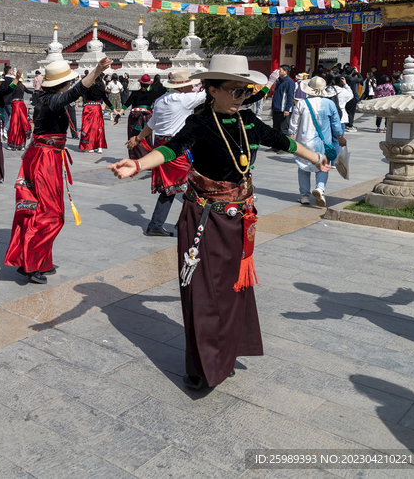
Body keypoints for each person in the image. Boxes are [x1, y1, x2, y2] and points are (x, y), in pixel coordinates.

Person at [109, 55, 332, 391]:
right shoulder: (199, 124)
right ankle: (202, 365)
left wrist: (316, 158)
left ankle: (225, 355)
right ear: (212, 90)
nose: (241, 97)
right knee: (202, 293)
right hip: (204, 218)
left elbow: (283, 142)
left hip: (240, 219)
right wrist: (139, 165)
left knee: (231, 291)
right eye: (234, 91)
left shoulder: (248, 123)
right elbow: (172, 150)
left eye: (245, 91)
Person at [4, 58, 112, 284]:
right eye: (68, 82)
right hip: (45, 159)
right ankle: (31, 264)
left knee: (42, 210)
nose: (70, 85)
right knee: (49, 214)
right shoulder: (52, 100)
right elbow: (76, 92)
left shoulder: (45, 98)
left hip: (45, 156)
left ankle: (41, 260)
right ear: (62, 85)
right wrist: (98, 70)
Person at [127, 69, 204, 238]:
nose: (192, 87)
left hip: (161, 145)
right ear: (183, 87)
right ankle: (180, 223)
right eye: (189, 85)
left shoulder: (161, 100)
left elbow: (152, 124)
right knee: (189, 185)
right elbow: (210, 93)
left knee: (173, 187)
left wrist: (138, 138)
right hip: (176, 146)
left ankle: (163, 223)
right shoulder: (185, 99)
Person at [289, 76, 346, 207]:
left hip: (303, 141)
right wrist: (340, 138)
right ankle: (320, 188)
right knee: (323, 167)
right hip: (323, 142)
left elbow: (294, 124)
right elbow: (336, 124)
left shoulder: (302, 103)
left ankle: (304, 195)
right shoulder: (330, 103)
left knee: (303, 168)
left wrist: (290, 138)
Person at [123, 73, 164, 161]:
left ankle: (135, 157)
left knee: (133, 135)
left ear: (140, 83)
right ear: (149, 84)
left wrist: (118, 114)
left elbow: (126, 104)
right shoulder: (153, 94)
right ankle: (146, 158)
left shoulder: (134, 93)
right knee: (145, 136)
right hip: (146, 117)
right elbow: (165, 91)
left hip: (134, 117)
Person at [79, 72, 113, 154]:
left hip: (88, 109)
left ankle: (89, 146)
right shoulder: (101, 88)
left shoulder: (87, 88)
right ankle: (99, 147)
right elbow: (106, 100)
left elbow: (80, 92)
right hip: (97, 108)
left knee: (88, 127)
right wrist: (113, 109)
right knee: (99, 127)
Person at [270, 65, 295, 149]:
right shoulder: (279, 81)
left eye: (280, 70)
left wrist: (287, 109)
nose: (278, 72)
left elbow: (290, 96)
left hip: (284, 109)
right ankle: (275, 146)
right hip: (276, 108)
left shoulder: (289, 82)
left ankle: (284, 147)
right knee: (276, 128)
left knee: (283, 129)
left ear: (285, 71)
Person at [6, 74, 33, 150]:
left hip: (15, 105)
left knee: (14, 124)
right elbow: (29, 91)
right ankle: (21, 144)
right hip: (22, 105)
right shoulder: (22, 86)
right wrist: (36, 92)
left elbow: (9, 95)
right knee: (21, 124)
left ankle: (12, 144)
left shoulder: (14, 86)